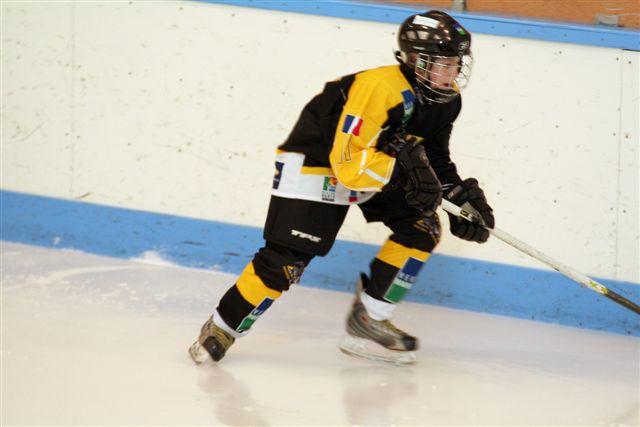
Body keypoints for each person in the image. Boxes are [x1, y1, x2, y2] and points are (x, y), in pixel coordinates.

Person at [189, 10, 495, 365]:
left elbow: (433, 157)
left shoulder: (447, 99)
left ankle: (370, 319)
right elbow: (348, 166)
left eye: (457, 62)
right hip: (318, 164)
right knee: (287, 260)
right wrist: (406, 171)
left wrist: (457, 195)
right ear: (415, 60)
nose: (453, 71)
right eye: (443, 62)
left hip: (377, 164)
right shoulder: (380, 89)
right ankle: (223, 326)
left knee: (422, 228)